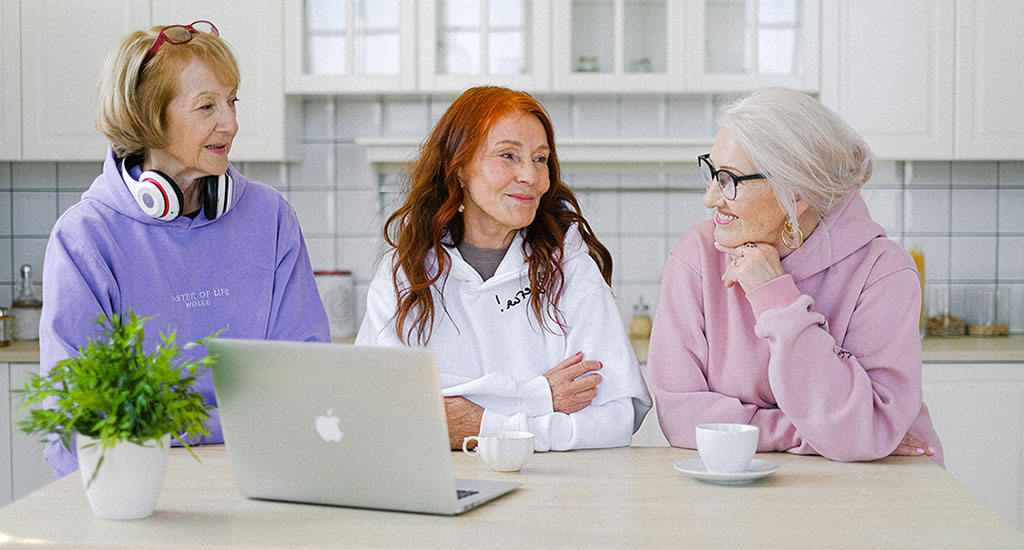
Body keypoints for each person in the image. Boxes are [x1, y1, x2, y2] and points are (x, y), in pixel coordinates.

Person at [39, 21, 329, 478]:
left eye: (232, 101)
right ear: (148, 118)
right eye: (206, 106)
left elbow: (305, 380)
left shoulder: (270, 217)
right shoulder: (85, 237)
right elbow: (82, 417)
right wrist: (233, 423)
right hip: (132, 483)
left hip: (259, 473)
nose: (230, 123)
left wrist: (167, 427)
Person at [647, 88, 943, 465]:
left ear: (797, 193)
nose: (710, 198)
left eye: (729, 180)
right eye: (712, 172)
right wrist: (812, 434)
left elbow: (866, 429)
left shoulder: (883, 271)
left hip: (877, 483)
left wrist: (776, 299)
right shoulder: (699, 254)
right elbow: (680, 416)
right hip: (745, 481)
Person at [357, 86, 651, 451]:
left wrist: (476, 424)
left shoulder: (572, 269)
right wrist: (540, 395)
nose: (531, 176)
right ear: (458, 167)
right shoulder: (404, 274)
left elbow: (615, 421)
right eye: (508, 155)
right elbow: (380, 410)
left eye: (540, 159)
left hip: (550, 484)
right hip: (439, 481)